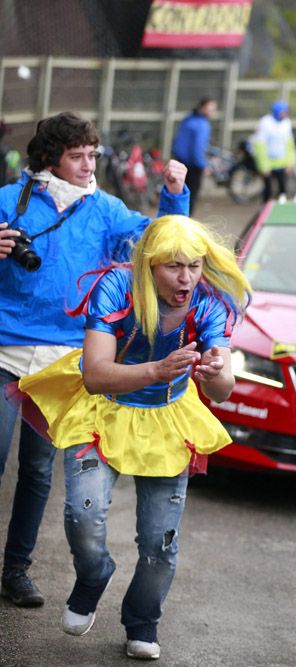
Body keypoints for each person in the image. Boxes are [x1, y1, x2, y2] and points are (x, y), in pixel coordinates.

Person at [15, 214, 250, 659]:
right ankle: (93, 575)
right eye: (174, 266)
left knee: (160, 541)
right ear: (149, 265)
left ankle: (142, 621)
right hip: (103, 410)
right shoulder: (116, 287)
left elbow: (221, 392)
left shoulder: (209, 304)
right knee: (83, 516)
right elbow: (97, 376)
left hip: (167, 417)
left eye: (195, 266)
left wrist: (219, 372)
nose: (187, 278)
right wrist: (157, 370)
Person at [0, 111, 189, 608]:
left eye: (92, 156)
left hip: (63, 362)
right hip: (7, 347)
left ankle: (15, 569)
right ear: (51, 159)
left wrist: (173, 194)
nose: (88, 165)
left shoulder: (105, 208)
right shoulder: (6, 201)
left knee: (39, 472)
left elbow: (160, 240)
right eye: (77, 156)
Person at [170, 97, 215, 213]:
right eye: (210, 109)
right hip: (193, 165)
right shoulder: (202, 125)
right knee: (191, 195)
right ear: (203, 108)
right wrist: (202, 164)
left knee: (179, 193)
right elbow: (197, 148)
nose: (212, 112)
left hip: (181, 160)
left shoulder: (188, 119)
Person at [251, 100, 296, 202]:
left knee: (283, 190)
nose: (285, 114)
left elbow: (290, 145)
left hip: (282, 163)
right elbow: (260, 146)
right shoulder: (265, 123)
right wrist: (264, 166)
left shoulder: (286, 123)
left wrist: (290, 163)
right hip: (268, 163)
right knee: (268, 190)